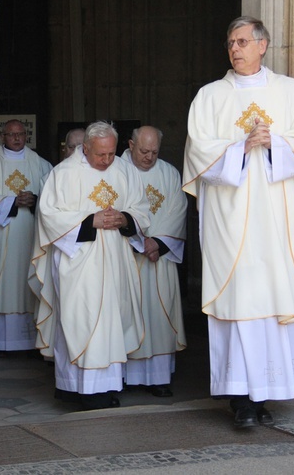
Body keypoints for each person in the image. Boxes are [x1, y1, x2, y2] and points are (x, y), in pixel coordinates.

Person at [183, 16, 294, 428]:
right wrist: (239, 146)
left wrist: (274, 144)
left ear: (263, 46)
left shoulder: (291, 91)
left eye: (243, 41)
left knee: (273, 297)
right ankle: (241, 399)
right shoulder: (210, 96)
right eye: (231, 42)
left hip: (278, 219)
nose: (235, 48)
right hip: (231, 223)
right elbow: (197, 151)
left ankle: (268, 393)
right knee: (240, 302)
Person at [32, 121, 151, 410]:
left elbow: (141, 208)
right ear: (85, 148)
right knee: (81, 321)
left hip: (116, 261)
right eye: (100, 155)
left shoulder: (124, 170)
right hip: (79, 262)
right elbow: (48, 216)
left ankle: (107, 387)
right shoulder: (63, 174)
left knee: (111, 321)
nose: (107, 160)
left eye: (111, 154)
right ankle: (76, 388)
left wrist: (125, 219)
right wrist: (89, 221)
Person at [0, 119, 52, 355]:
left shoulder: (42, 165)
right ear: (2, 137)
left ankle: (32, 341)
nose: (16, 138)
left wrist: (35, 201)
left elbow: (54, 199)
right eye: (11, 134)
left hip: (31, 235)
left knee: (29, 279)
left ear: (26, 136)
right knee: (1, 282)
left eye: (21, 134)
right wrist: (13, 202)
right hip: (0, 235)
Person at [121, 126, 187, 397]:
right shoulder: (117, 170)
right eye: (143, 151)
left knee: (158, 317)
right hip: (126, 256)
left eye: (154, 152)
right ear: (130, 145)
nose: (149, 157)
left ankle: (158, 378)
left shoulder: (169, 173)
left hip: (159, 258)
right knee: (126, 313)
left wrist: (158, 243)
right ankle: (122, 376)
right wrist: (138, 240)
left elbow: (178, 210)